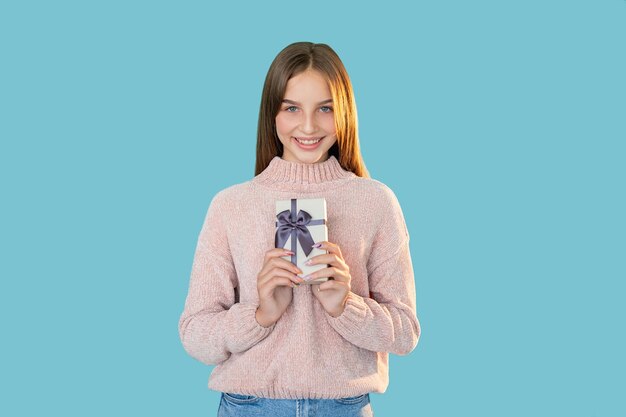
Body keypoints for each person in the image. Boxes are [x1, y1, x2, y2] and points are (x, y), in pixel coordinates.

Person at [178, 41, 421, 417]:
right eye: (292, 108)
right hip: (249, 407)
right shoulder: (230, 206)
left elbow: (405, 333)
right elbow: (195, 335)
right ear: (271, 114)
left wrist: (346, 306)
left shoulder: (376, 202)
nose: (308, 126)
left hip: (344, 408)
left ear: (344, 113)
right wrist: (260, 315)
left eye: (325, 108)